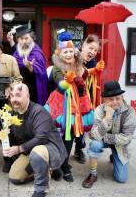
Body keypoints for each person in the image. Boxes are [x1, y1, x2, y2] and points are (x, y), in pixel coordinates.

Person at [44, 31, 92, 182]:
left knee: (70, 137)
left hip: (76, 106)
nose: (68, 54)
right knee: (59, 137)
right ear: (60, 53)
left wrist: (87, 73)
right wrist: (67, 81)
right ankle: (59, 165)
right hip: (60, 107)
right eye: (66, 51)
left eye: (71, 51)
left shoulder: (78, 65)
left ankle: (64, 166)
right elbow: (60, 83)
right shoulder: (57, 68)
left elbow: (84, 78)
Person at [4, 83, 67, 197]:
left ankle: (41, 189)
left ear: (27, 96)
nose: (14, 99)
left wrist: (18, 149)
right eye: (12, 96)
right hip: (29, 150)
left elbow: (41, 139)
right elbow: (12, 137)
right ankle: (46, 169)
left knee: (37, 153)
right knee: (15, 177)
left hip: (50, 148)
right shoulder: (11, 114)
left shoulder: (38, 111)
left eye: (18, 95)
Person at [82, 81, 136, 188]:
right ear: (104, 100)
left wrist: (104, 137)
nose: (115, 102)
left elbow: (126, 138)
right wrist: (107, 118)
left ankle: (115, 155)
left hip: (120, 145)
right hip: (106, 139)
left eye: (118, 98)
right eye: (111, 99)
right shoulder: (99, 110)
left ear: (122, 97)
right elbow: (93, 135)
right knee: (94, 144)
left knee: (121, 179)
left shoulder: (130, 112)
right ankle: (93, 174)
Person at [74, 34, 105, 164]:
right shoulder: (73, 56)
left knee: (83, 126)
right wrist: (93, 70)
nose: (92, 52)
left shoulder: (94, 62)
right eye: (90, 48)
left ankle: (79, 149)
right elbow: (79, 74)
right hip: (71, 97)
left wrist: (97, 71)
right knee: (69, 126)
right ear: (83, 45)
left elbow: (94, 83)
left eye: (95, 50)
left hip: (85, 98)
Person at [10, 24, 49, 105]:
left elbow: (42, 73)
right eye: (21, 39)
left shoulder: (37, 53)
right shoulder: (16, 53)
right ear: (17, 40)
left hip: (34, 91)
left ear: (32, 39)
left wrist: (30, 68)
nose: (24, 41)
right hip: (18, 90)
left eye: (26, 38)